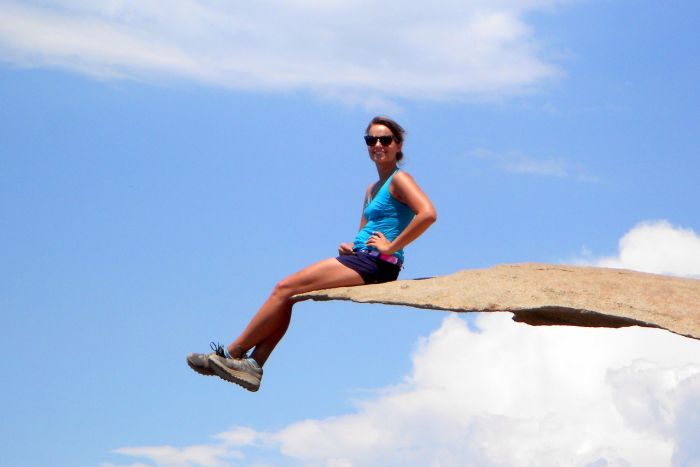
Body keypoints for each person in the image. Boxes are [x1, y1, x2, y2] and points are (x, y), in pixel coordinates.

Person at [187, 116, 437, 391]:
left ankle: (232, 355)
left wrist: (390, 247)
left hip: (378, 263)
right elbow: (364, 230)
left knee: (284, 286)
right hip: (362, 257)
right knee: (290, 295)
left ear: (398, 145)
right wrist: (352, 247)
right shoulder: (372, 189)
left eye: (385, 140)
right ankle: (254, 364)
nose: (377, 144)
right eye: (371, 140)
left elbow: (428, 214)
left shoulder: (400, 179)